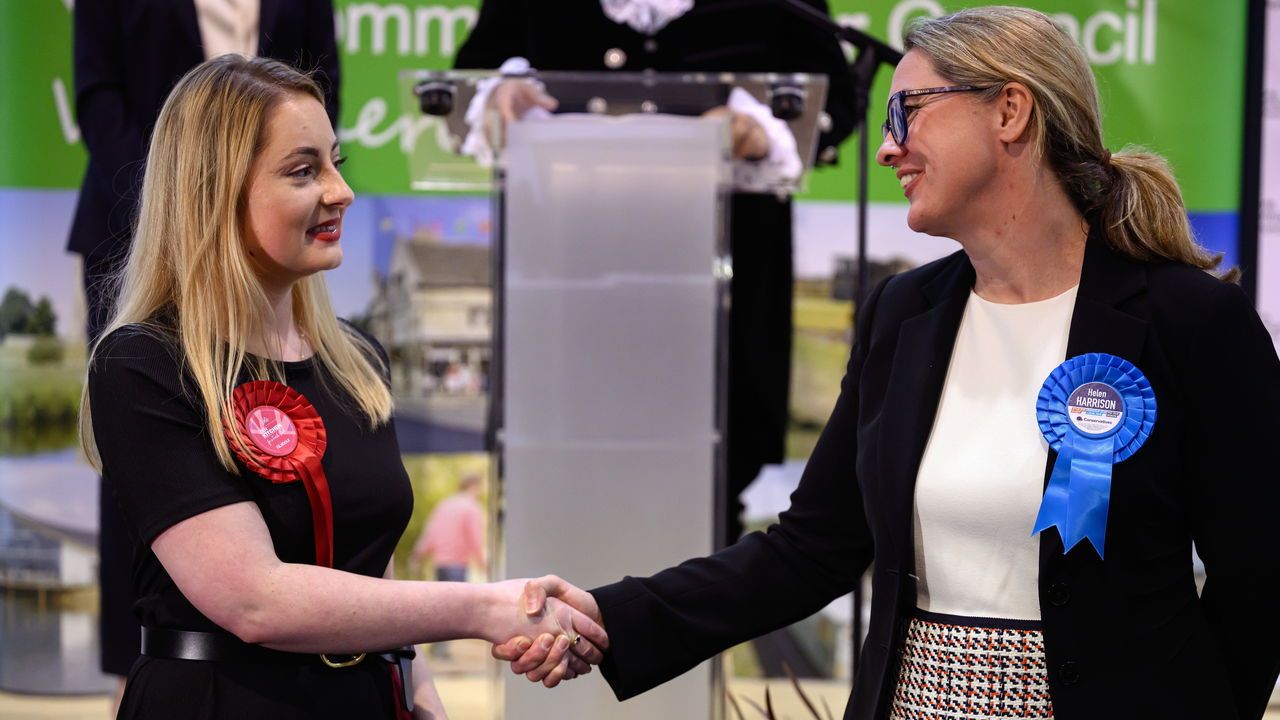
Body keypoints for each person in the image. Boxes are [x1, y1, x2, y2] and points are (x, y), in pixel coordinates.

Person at [493, 6, 1280, 719]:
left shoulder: (1190, 323)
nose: (886, 145)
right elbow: (812, 548)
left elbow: (1259, 585)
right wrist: (607, 616)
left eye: (910, 111)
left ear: (1010, 110)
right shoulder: (904, 314)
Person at [80, 55, 605, 719]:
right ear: (212, 190)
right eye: (304, 171)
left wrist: (423, 700)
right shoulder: (143, 366)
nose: (341, 191)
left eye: (336, 162)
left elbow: (369, 564)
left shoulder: (356, 359)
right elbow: (255, 601)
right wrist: (483, 608)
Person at [454, 0, 857, 547]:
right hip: (566, 282)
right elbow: (475, 75)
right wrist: (499, 97)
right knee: (561, 516)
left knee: (708, 518)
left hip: (724, 294)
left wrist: (757, 129)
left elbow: (835, 96)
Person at [69, 0, 341, 690]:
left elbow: (321, 86)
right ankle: (143, 663)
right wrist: (187, 200)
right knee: (147, 447)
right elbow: (97, 94)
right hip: (137, 220)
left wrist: (299, 175)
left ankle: (319, 634)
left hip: (270, 211)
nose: (344, 193)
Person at [412, 473, 488, 658]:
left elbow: (431, 532)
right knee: (452, 610)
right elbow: (475, 539)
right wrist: (482, 563)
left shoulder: (444, 505)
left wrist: (418, 554)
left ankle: (439, 649)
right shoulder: (471, 508)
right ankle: (441, 650)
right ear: (474, 486)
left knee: (442, 607)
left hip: (441, 562)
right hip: (458, 563)